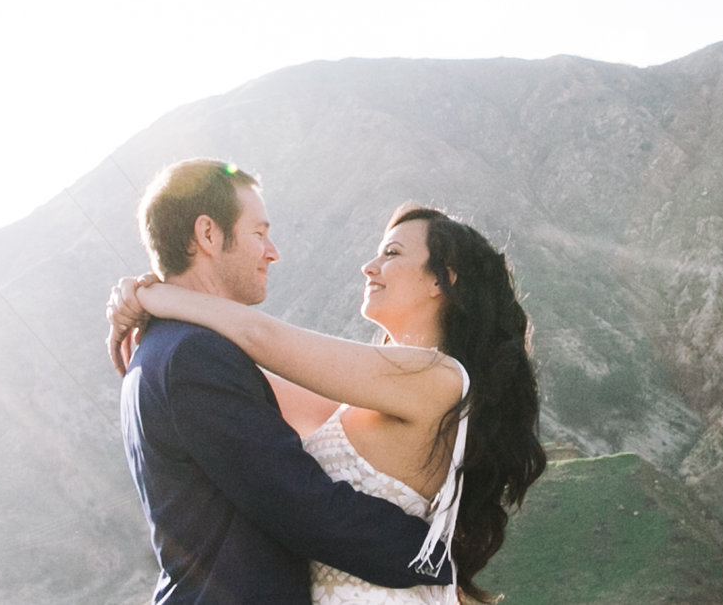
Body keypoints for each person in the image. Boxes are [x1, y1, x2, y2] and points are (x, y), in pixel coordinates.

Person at [109, 197, 547, 605]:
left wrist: (153, 297)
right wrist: (149, 317)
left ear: (443, 278)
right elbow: (229, 377)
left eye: (391, 254)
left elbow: (258, 336)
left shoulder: (438, 378)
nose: (368, 267)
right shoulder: (358, 403)